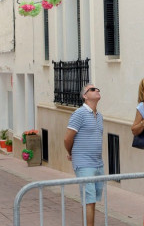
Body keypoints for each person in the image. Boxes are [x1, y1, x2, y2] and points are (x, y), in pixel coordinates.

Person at [64, 84, 104, 226]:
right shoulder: (79, 113)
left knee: (92, 201)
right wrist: (71, 153)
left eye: (98, 89)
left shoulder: (99, 116)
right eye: (93, 89)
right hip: (84, 163)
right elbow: (68, 138)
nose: (97, 90)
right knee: (89, 200)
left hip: (98, 163)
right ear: (85, 96)